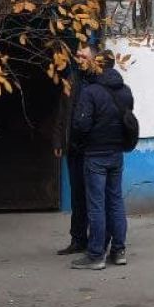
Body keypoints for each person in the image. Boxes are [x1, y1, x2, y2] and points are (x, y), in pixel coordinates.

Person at [69, 48, 133, 270]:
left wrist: (78, 141)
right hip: (116, 153)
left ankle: (96, 254)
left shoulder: (92, 92)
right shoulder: (125, 91)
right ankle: (119, 250)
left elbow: (81, 125)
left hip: (95, 154)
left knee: (96, 204)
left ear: (98, 66)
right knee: (115, 202)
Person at [53, 65, 88, 257]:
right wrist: (58, 139)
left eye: (84, 54)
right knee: (77, 196)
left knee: (94, 197)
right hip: (73, 147)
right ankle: (78, 239)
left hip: (91, 150)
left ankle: (99, 240)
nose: (80, 57)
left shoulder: (96, 80)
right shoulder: (72, 79)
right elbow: (62, 111)